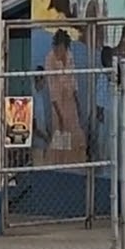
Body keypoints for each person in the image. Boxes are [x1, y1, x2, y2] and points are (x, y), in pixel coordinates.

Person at [44, 30, 85, 164]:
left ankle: (73, 163)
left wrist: (77, 103)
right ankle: (59, 163)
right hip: (58, 103)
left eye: (62, 48)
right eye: (58, 47)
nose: (60, 51)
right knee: (60, 135)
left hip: (70, 101)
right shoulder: (50, 59)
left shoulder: (69, 55)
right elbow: (52, 89)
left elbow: (73, 80)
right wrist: (59, 114)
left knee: (74, 133)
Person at [94, 45, 117, 170]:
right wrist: (100, 114)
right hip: (107, 116)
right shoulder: (103, 78)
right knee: (105, 149)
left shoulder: (116, 75)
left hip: (115, 114)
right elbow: (99, 103)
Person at [31, 67, 52, 165]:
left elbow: (41, 117)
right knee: (37, 163)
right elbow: (33, 122)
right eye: (44, 80)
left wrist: (47, 131)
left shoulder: (40, 95)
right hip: (36, 140)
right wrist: (44, 136)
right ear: (39, 79)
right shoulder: (33, 95)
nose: (45, 83)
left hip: (42, 140)